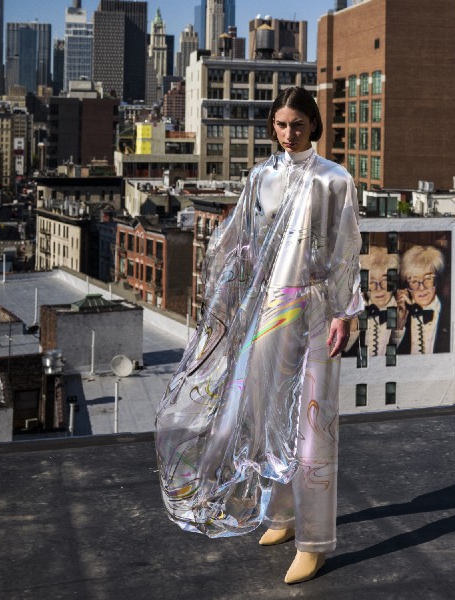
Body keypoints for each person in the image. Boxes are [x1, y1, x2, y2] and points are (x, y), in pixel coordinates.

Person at [155, 86, 363, 584]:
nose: (289, 134)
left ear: (313, 125)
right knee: (267, 417)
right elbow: (242, 243)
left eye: (298, 124)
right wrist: (227, 299)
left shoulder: (334, 179)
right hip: (269, 311)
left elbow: (346, 248)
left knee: (313, 425)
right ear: (272, 126)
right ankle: (283, 515)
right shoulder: (260, 178)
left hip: (317, 308)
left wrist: (345, 311)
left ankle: (315, 542)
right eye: (281, 124)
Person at [397, 245, 450, 354]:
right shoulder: (401, 316)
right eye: (414, 281)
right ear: (406, 285)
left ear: (437, 280)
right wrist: (399, 326)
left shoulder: (450, 313)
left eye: (428, 279)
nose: (421, 288)